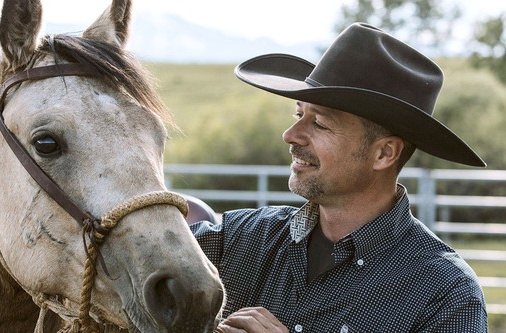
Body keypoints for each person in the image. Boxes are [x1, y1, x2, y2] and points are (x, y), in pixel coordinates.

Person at [190, 22, 488, 332]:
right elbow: (140, 263)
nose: (291, 135)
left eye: (319, 123)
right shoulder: (242, 240)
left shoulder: (445, 294)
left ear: (385, 153)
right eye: (298, 114)